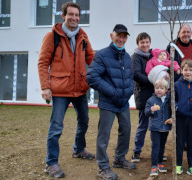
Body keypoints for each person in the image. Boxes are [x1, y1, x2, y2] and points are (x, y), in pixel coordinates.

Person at [37, 2, 95, 178]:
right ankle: (51, 163)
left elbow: (92, 59)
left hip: (80, 88)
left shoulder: (83, 36)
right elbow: (43, 63)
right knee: (56, 127)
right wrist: (45, 87)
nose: (74, 18)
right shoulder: (52, 36)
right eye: (71, 14)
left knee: (84, 121)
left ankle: (78, 149)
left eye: (77, 15)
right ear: (63, 16)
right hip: (60, 90)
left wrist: (106, 73)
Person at [86, 24, 135, 180]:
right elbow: (92, 78)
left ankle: (119, 159)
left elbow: (130, 78)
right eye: (118, 36)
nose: (121, 39)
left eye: (124, 36)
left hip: (123, 103)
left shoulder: (127, 57)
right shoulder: (102, 55)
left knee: (126, 130)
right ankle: (103, 167)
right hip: (108, 102)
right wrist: (112, 92)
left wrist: (129, 91)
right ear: (111, 36)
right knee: (104, 135)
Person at [131, 32, 154, 163]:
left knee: (156, 126)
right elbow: (136, 75)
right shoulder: (135, 57)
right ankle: (136, 152)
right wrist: (153, 81)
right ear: (138, 44)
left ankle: (157, 151)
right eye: (142, 42)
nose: (145, 45)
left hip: (155, 95)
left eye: (147, 42)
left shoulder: (153, 55)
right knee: (143, 125)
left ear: (150, 43)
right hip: (143, 95)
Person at [144, 79, 173, 177]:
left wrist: (172, 119)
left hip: (165, 127)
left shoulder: (169, 100)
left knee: (162, 146)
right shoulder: (151, 100)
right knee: (155, 146)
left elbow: (174, 110)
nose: (159, 90)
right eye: (157, 88)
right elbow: (146, 112)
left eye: (161, 88)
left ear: (166, 90)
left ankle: (160, 162)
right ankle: (154, 165)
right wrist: (151, 110)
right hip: (155, 128)